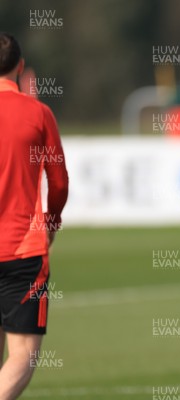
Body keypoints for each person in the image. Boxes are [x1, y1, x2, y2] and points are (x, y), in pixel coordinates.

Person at [0, 32, 69, 400]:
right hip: (23, 250)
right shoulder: (38, 113)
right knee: (22, 355)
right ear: (20, 67)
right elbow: (58, 181)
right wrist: (52, 224)